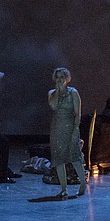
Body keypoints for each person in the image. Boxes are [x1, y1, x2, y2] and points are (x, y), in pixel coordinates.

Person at [48, 67, 88, 199]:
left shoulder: (73, 93)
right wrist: (58, 92)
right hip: (57, 128)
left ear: (67, 79)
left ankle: (82, 183)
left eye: (62, 77)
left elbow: (78, 113)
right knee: (59, 159)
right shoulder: (52, 93)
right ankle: (63, 188)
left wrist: (76, 129)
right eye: (57, 77)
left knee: (74, 157)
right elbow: (53, 106)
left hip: (70, 127)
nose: (60, 80)